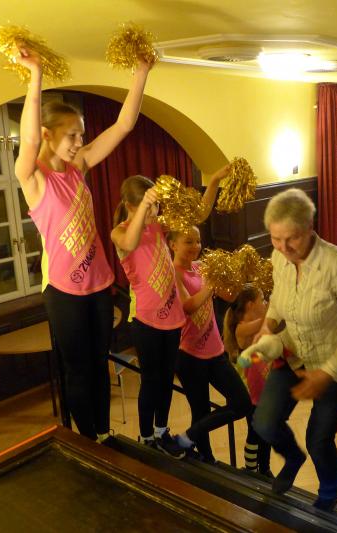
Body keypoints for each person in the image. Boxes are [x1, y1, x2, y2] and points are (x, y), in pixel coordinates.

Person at [13, 46, 153, 441]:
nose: (79, 142)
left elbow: (123, 125)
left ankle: (103, 434)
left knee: (99, 363)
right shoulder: (33, 177)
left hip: (98, 285)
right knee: (78, 370)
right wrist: (36, 75)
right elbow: (28, 139)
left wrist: (142, 71)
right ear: (48, 135)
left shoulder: (79, 167)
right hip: (64, 292)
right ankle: (88, 439)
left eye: (81, 135)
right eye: (72, 135)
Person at [251, 188, 337, 511]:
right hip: (293, 355)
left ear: (309, 228)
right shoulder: (279, 257)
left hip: (336, 363)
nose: (283, 247)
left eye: (290, 238)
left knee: (318, 439)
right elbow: (278, 300)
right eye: (275, 238)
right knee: (264, 423)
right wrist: (267, 326)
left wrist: (326, 373)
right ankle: (293, 458)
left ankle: (330, 493)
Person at [111, 169, 226, 457]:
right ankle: (146, 435)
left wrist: (214, 180)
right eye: (150, 206)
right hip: (146, 322)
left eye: (156, 206)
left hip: (172, 319)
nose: (155, 212)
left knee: (165, 380)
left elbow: (199, 214)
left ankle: (161, 431)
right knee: (151, 381)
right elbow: (129, 243)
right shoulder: (121, 231)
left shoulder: (157, 226)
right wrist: (145, 208)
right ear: (131, 205)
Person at [169, 227, 251, 463]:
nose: (196, 246)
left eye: (198, 241)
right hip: (189, 356)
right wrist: (211, 284)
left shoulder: (201, 268)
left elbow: (229, 296)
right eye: (189, 241)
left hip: (216, 352)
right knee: (200, 411)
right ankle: (207, 457)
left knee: (242, 403)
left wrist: (237, 274)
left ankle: (186, 438)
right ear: (173, 245)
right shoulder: (172, 272)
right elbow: (188, 306)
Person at [223, 285, 274, 477]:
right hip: (251, 391)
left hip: (265, 386)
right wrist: (276, 302)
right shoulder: (242, 328)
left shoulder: (258, 324)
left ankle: (265, 468)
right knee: (254, 432)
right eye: (262, 299)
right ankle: (251, 470)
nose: (265, 303)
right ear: (251, 304)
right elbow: (267, 321)